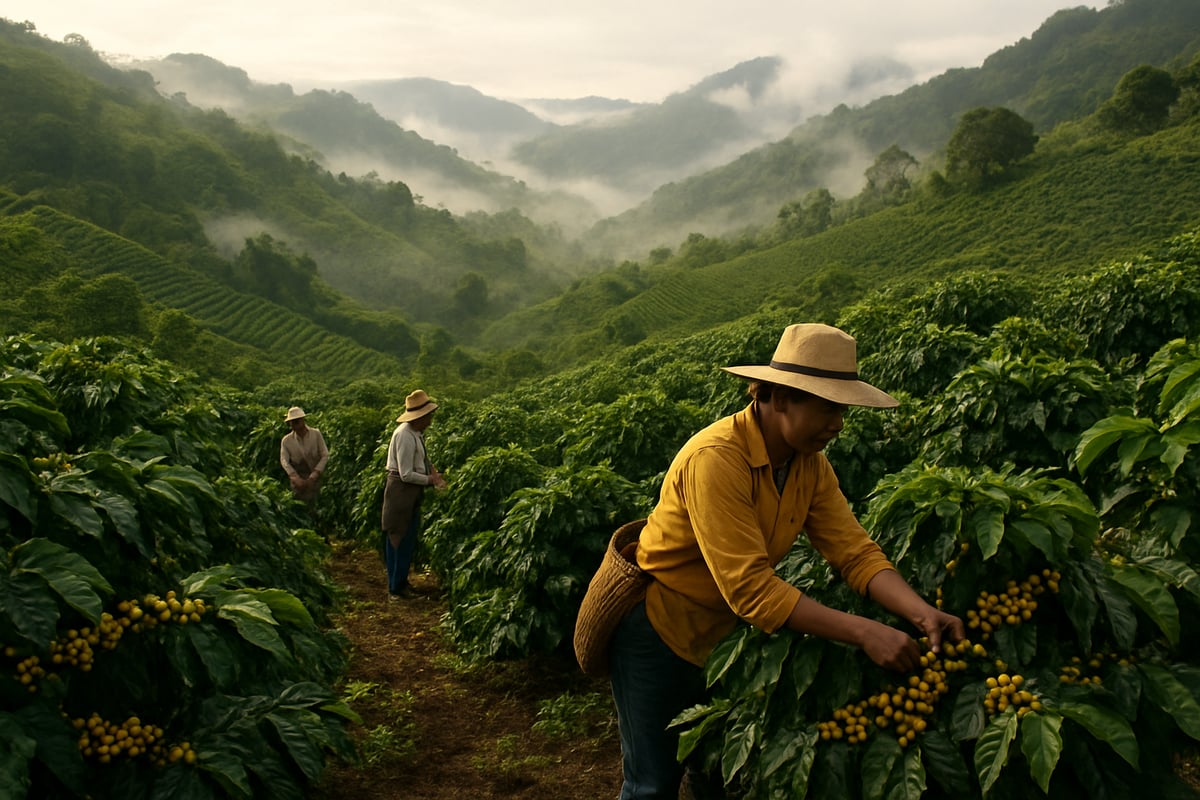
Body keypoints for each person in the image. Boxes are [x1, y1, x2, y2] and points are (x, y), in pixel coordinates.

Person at [609, 323, 965, 799]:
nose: (838, 423)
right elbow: (751, 589)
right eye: (828, 407)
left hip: (727, 640)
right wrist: (866, 632)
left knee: (714, 771)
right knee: (652, 784)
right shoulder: (716, 459)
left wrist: (920, 612)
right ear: (779, 398)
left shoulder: (808, 464)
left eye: (842, 410)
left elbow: (854, 552)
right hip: (661, 634)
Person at [381, 389, 447, 600]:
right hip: (401, 491)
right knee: (398, 537)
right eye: (428, 416)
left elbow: (423, 461)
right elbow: (406, 474)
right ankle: (395, 588)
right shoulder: (404, 435)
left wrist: (433, 473)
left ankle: (401, 582)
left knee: (407, 537)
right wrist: (430, 480)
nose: (430, 420)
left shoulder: (415, 433)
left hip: (410, 491)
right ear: (420, 417)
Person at [279, 406, 329, 523]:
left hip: (315, 475)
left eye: (296, 421)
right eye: (292, 422)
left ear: (303, 420)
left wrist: (314, 475)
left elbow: (325, 455)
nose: (294, 425)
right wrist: (294, 477)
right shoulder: (287, 440)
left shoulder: (316, 434)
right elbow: (284, 460)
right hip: (298, 478)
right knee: (300, 508)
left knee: (316, 505)